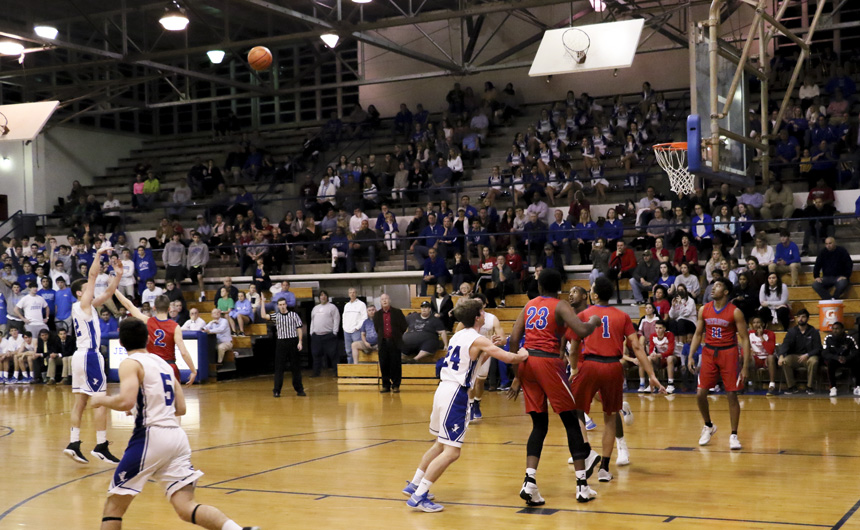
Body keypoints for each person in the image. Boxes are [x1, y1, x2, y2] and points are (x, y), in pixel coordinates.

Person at [89, 318, 260, 530]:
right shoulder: (164, 364)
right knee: (186, 507)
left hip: (151, 437)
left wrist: (99, 400)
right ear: (148, 338)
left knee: (113, 507)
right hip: (177, 438)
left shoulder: (130, 363)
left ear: (121, 343)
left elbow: (126, 400)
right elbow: (181, 408)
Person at [403, 299, 529, 512]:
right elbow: (508, 358)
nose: (484, 313)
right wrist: (522, 355)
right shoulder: (477, 339)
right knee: (452, 452)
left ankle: (415, 483)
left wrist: (490, 347)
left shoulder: (458, 336)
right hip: (456, 395)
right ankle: (419, 495)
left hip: (443, 390)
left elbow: (472, 358)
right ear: (478, 316)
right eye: (482, 311)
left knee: (440, 445)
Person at [507, 268, 602, 505]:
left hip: (527, 362)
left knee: (539, 424)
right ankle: (582, 486)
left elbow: (514, 338)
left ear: (539, 287)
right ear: (559, 288)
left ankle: (529, 483)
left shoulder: (529, 305)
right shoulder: (559, 306)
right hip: (547, 362)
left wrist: (517, 373)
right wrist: (593, 321)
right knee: (571, 421)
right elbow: (580, 331)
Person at [569, 277, 664, 483]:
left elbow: (574, 346)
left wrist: (575, 368)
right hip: (613, 366)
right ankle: (604, 467)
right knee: (610, 417)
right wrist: (652, 375)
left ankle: (586, 452)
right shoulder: (622, 316)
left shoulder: (584, 314)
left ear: (594, 295)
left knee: (574, 409)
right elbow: (637, 348)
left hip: (591, 365)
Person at [63, 245, 123, 465]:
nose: (91, 289)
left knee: (80, 402)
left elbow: (108, 293)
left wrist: (118, 275)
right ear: (80, 292)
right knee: (100, 400)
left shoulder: (84, 307)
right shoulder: (83, 302)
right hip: (89, 356)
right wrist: (98, 255)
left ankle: (73, 443)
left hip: (80, 356)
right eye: (87, 288)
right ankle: (100, 445)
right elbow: (92, 275)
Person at [687, 278, 751, 450]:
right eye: (713, 286)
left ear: (726, 292)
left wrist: (745, 365)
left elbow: (745, 338)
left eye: (718, 286)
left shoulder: (735, 312)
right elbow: (698, 333)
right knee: (700, 394)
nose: (713, 289)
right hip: (709, 352)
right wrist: (691, 355)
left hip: (729, 353)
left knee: (731, 395)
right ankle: (708, 425)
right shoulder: (704, 310)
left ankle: (734, 435)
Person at [114, 290, 197, 385]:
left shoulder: (147, 321)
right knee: (172, 398)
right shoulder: (175, 326)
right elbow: (184, 352)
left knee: (150, 397)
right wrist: (193, 370)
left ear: (154, 308)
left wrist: (114, 290)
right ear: (169, 308)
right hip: (169, 365)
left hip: (152, 366)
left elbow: (129, 305)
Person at [260, 294, 305, 397]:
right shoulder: (276, 316)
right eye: (280, 305)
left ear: (286, 305)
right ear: (278, 306)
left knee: (295, 367)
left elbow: (299, 328)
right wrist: (262, 302)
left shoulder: (293, 315)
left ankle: (299, 389)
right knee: (279, 368)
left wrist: (300, 341)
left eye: (284, 304)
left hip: (292, 341)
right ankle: (276, 390)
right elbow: (264, 316)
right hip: (281, 342)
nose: (282, 306)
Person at [777, 308, 821, 394]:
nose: (800, 319)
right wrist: (781, 355)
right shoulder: (791, 331)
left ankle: (809, 387)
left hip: (809, 356)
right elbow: (785, 344)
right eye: (799, 317)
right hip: (795, 356)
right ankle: (792, 387)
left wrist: (807, 355)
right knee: (785, 361)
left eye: (803, 317)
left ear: (807, 319)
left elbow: (818, 348)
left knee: (814, 361)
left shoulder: (814, 331)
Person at [373, 294, 408, 393]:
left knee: (395, 364)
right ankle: (386, 385)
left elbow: (404, 326)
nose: (384, 301)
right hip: (383, 342)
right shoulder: (377, 314)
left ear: (390, 300)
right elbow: (377, 328)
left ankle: (396, 385)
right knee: (384, 364)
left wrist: (396, 335)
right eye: (382, 299)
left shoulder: (397, 312)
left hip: (395, 342)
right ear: (380, 302)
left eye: (386, 299)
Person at [822, 321, 860, 397]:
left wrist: (846, 358)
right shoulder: (828, 338)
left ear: (842, 329)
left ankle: (857, 386)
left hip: (846, 359)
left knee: (857, 361)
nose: (835, 331)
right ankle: (833, 387)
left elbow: (855, 352)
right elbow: (824, 353)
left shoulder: (849, 338)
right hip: (834, 360)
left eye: (837, 329)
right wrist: (836, 357)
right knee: (830, 363)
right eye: (833, 329)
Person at [310, 290, 340, 377]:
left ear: (327, 297)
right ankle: (316, 372)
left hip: (329, 335)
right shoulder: (315, 308)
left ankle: (337, 372)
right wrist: (312, 332)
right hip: (316, 336)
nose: (323, 297)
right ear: (319, 297)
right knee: (316, 355)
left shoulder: (332, 307)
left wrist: (335, 332)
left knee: (333, 355)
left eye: (324, 295)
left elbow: (336, 319)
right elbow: (312, 320)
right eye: (321, 295)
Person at [645, 320, 678, 394]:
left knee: (669, 358)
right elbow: (651, 350)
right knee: (649, 358)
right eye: (656, 328)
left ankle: (670, 384)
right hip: (661, 358)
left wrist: (659, 355)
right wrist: (652, 354)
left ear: (664, 329)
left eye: (660, 328)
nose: (658, 330)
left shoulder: (669, 335)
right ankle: (652, 383)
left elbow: (670, 351)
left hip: (674, 357)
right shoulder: (652, 336)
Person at [747, 316, 778, 395]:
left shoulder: (770, 334)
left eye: (758, 322)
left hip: (767, 359)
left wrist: (761, 337)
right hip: (756, 358)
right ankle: (742, 383)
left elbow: (770, 351)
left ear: (763, 324)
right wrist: (749, 351)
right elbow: (744, 347)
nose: (756, 324)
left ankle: (772, 385)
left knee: (771, 357)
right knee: (743, 357)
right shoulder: (749, 334)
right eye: (754, 323)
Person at [342, 288, 367, 364]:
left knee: (357, 351)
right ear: (348, 294)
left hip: (356, 331)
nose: (352, 294)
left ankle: (358, 371)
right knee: (348, 352)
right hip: (347, 331)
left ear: (356, 293)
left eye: (353, 292)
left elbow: (364, 318)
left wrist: (357, 327)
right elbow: (344, 317)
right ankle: (351, 371)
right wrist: (344, 327)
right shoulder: (347, 305)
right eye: (350, 292)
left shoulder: (361, 304)